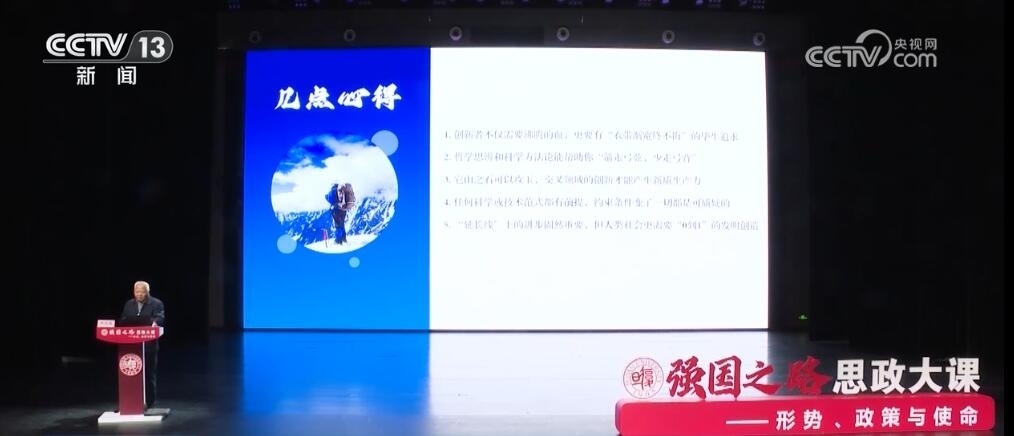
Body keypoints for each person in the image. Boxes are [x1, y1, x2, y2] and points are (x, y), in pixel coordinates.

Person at [119, 280, 165, 409]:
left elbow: (160, 318)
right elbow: (123, 319)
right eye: (137, 292)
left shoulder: (156, 303)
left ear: (147, 292)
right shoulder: (129, 304)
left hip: (149, 345)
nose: (139, 294)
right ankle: (131, 401)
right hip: (131, 344)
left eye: (142, 292)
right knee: (132, 372)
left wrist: (154, 324)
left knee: (149, 374)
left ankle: (149, 402)